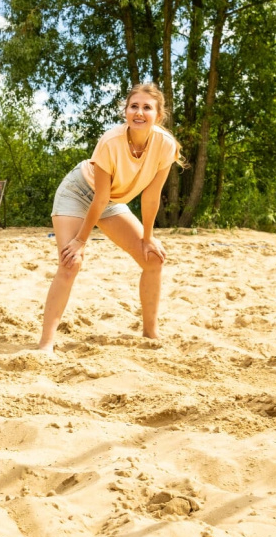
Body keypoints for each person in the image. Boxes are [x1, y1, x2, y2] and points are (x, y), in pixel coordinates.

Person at [38, 83, 183, 352]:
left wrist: (149, 238)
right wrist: (81, 240)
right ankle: (46, 343)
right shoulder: (110, 141)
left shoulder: (165, 145)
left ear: (158, 116)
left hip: (110, 201)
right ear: (126, 111)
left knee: (152, 258)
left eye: (147, 108)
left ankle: (150, 333)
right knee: (71, 263)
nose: (139, 112)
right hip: (78, 192)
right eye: (134, 106)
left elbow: (151, 197)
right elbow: (99, 197)